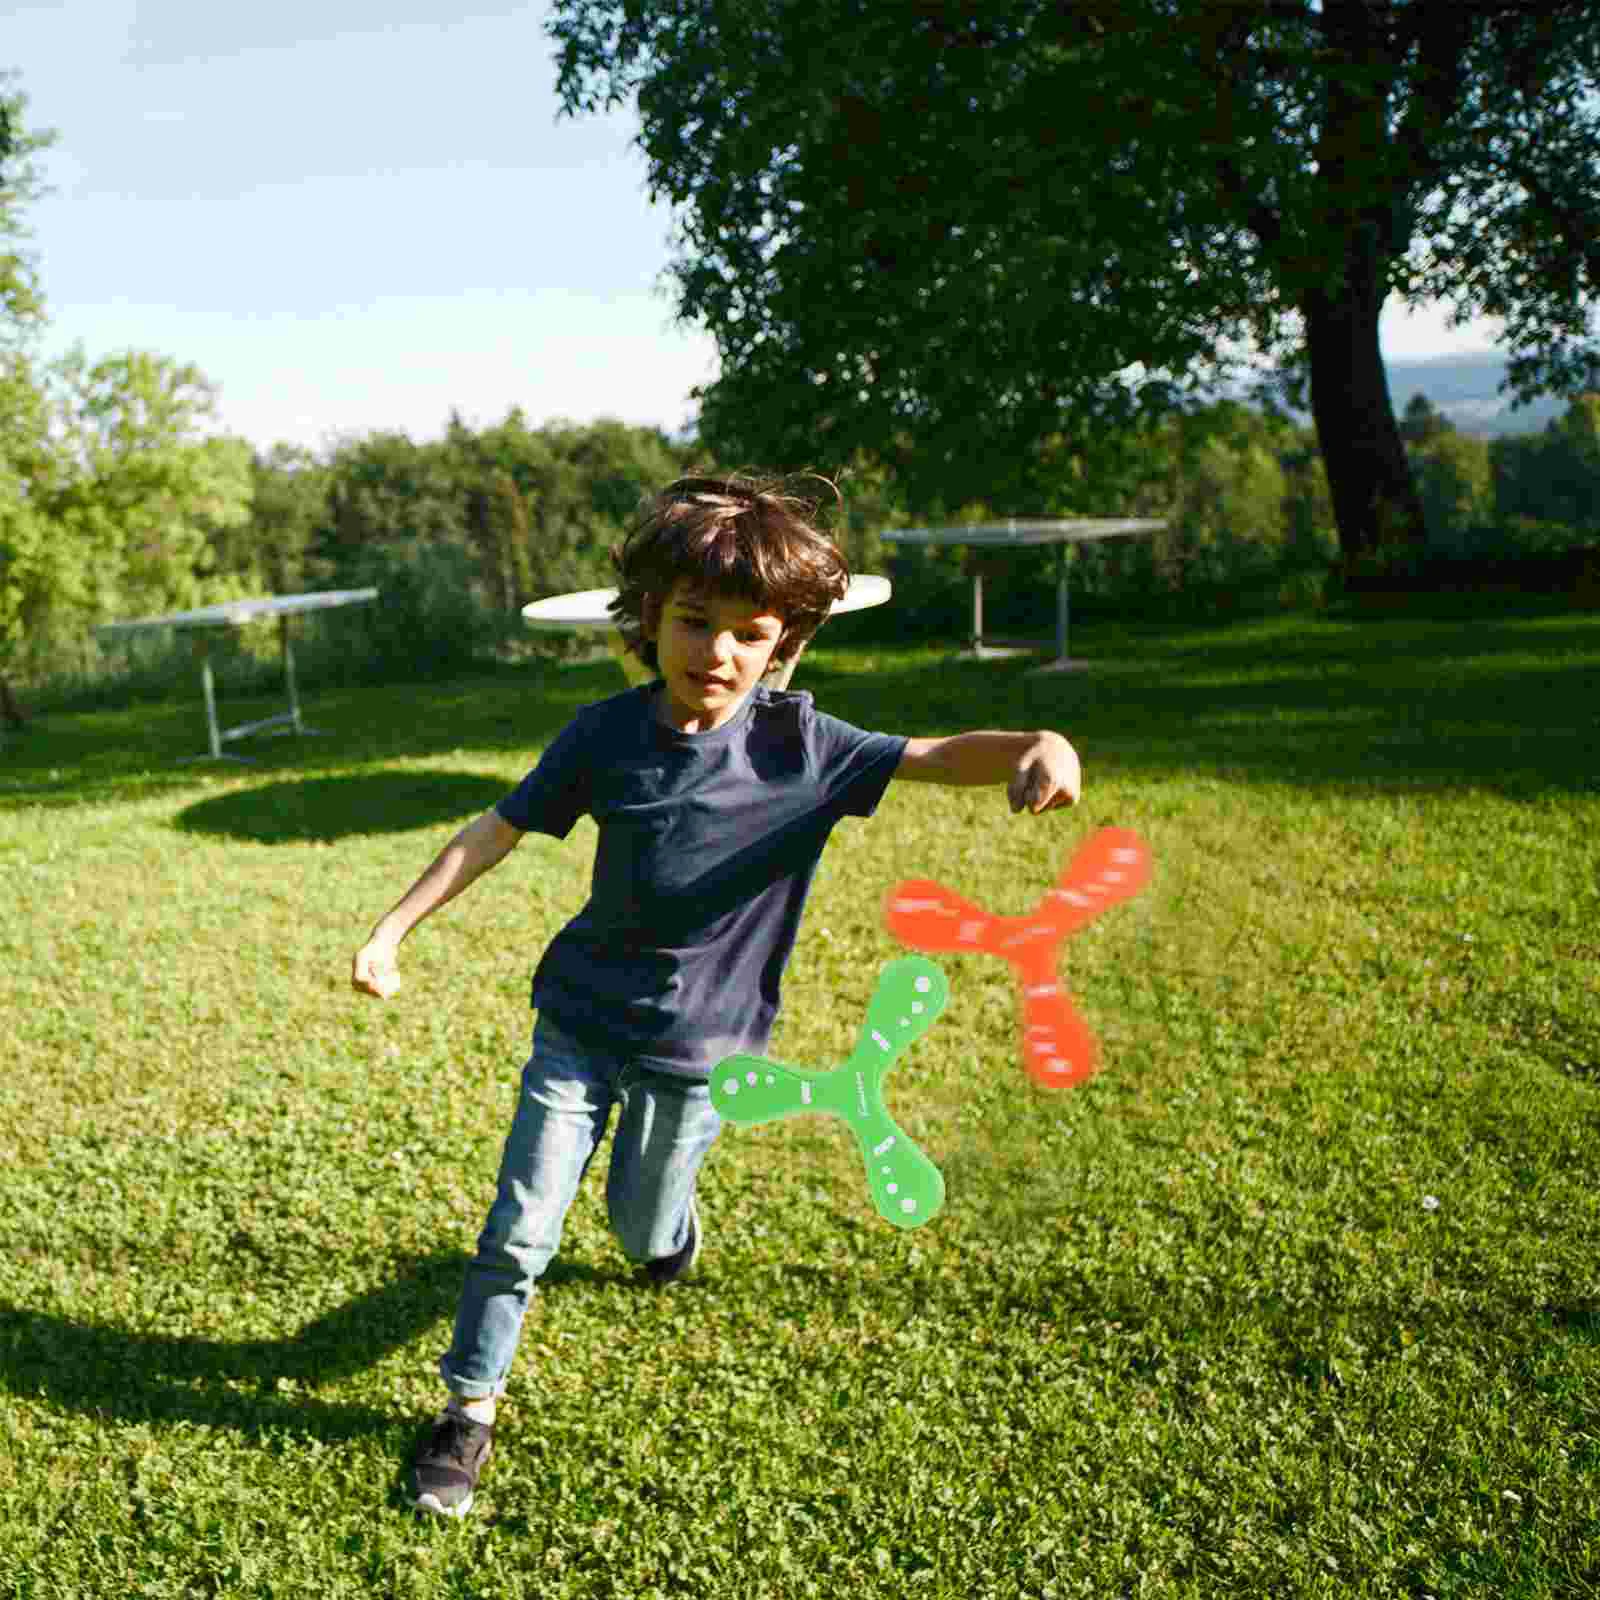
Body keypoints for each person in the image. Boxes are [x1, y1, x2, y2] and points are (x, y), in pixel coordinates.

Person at [351, 475, 1082, 1517]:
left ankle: (669, 1237)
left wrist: (1035, 747)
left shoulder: (804, 747)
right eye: (695, 622)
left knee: (642, 1227)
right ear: (651, 617)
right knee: (521, 1224)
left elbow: (934, 754)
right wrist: (391, 927)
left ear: (781, 644)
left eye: (749, 633)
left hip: (701, 1047)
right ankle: (469, 1411)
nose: (717, 652)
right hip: (581, 1023)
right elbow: (498, 828)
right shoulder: (603, 733)